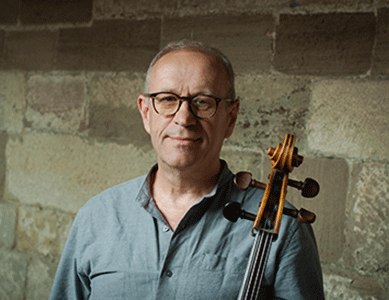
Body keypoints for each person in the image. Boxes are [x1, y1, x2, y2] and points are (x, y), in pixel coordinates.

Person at [49, 40, 324, 299]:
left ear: (231, 117)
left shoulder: (284, 229)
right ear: (146, 112)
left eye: (202, 101)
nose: (184, 118)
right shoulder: (95, 218)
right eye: (167, 99)